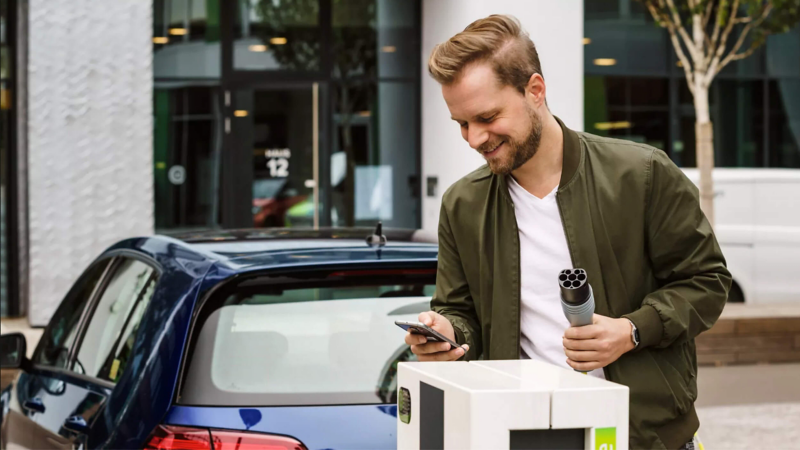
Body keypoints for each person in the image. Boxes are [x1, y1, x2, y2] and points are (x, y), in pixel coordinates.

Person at [404, 14, 730, 449]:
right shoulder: (462, 204)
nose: (474, 138)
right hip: (518, 433)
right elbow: (459, 311)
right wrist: (446, 333)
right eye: (462, 123)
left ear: (535, 90)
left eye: (486, 117)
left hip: (643, 436)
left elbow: (707, 282)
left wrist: (632, 330)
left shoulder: (642, 175)